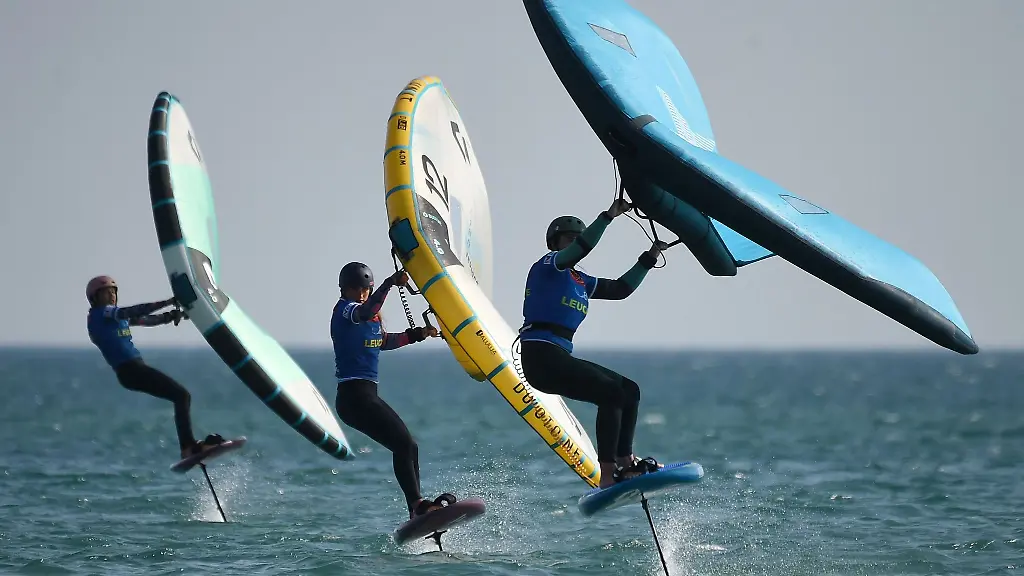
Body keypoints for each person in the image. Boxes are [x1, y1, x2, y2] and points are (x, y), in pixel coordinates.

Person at [519, 198, 665, 489]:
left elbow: (621, 289)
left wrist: (650, 256)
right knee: (610, 393)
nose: (573, 242)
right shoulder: (549, 265)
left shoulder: (581, 280)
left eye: (576, 237)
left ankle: (626, 461)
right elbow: (583, 246)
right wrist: (608, 216)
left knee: (629, 390)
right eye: (568, 238)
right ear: (555, 242)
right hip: (540, 357)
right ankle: (607, 475)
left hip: (559, 355)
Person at [331, 261, 452, 519]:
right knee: (404, 444)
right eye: (357, 289)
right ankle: (417, 507)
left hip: (366, 396)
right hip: (353, 397)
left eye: (366, 289)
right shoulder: (345, 311)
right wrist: (389, 284)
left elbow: (384, 342)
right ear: (345, 289)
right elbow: (364, 312)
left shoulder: (370, 318)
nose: (362, 293)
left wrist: (418, 334)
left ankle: (417, 508)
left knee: (409, 446)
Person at [85, 275, 223, 460]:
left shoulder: (116, 317)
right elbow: (134, 311)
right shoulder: (101, 315)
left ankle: (189, 446)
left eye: (113, 292)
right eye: (106, 293)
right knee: (182, 395)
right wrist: (168, 302)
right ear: (94, 298)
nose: (111, 296)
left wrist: (174, 316)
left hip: (134, 370)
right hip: (130, 370)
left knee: (180, 397)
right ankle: (188, 447)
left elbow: (146, 320)